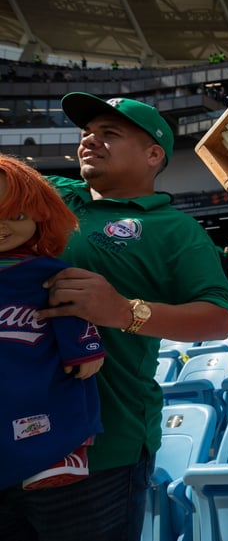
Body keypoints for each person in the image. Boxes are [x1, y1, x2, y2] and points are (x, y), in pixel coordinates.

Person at [0, 92, 228, 540]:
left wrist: (126, 311)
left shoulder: (175, 229)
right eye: (87, 133)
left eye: (110, 133)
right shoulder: (47, 198)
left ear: (153, 154)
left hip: (100, 449)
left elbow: (217, 318)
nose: (90, 140)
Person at [0, 156, 106, 491]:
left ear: (40, 216)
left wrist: (85, 348)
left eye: (15, 215)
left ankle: (65, 453)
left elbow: (70, 306)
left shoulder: (47, 271)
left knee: (53, 403)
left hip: (39, 372)